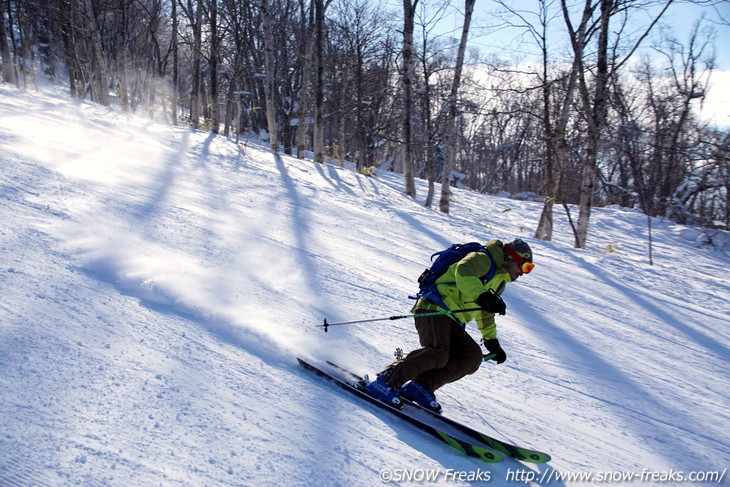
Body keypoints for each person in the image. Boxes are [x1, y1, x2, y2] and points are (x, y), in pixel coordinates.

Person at [363, 238, 535, 412]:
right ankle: (385, 382)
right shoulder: (483, 258)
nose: (524, 272)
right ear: (511, 258)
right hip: (434, 309)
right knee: (439, 351)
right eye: (525, 266)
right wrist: (483, 296)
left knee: (471, 356)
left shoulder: (499, 282)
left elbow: (485, 312)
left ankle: (421, 386)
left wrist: (492, 341)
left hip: (454, 321)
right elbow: (464, 271)